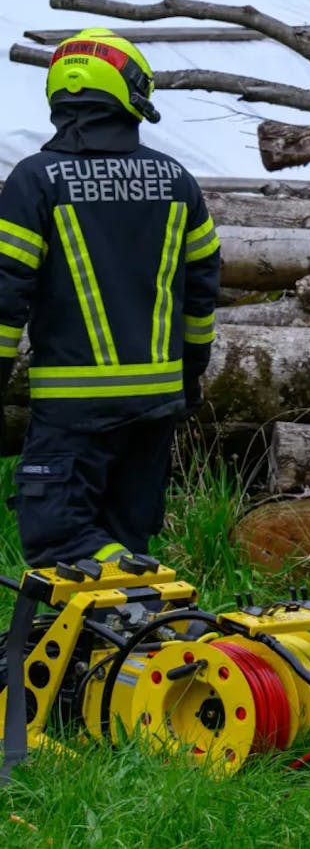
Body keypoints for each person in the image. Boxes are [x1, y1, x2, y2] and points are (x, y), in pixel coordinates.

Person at [0, 29, 219, 570]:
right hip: (157, 406)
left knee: (62, 542)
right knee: (127, 543)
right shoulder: (177, 181)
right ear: (130, 94)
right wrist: (190, 373)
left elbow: (7, 295)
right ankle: (117, 650)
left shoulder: (36, 182)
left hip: (73, 407)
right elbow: (202, 291)